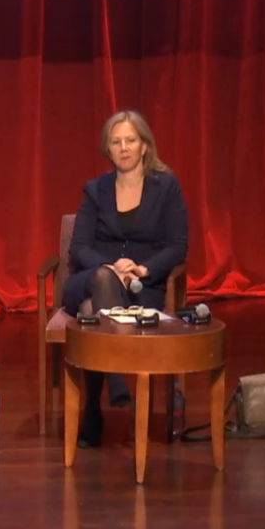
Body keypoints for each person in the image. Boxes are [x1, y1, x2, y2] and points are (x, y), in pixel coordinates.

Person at [61, 111, 188, 448]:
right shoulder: (95, 189)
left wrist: (144, 269)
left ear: (144, 145)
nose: (124, 148)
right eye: (116, 142)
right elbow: (79, 248)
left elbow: (177, 246)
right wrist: (112, 267)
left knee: (91, 312)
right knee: (100, 282)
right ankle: (116, 378)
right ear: (108, 149)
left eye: (130, 140)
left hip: (142, 287)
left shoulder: (166, 187)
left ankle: (92, 411)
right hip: (92, 276)